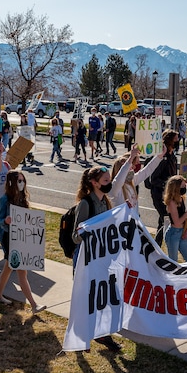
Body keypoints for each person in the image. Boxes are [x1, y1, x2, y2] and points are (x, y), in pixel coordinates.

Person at [71, 165, 122, 353]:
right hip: (86, 259)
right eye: (106, 181)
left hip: (102, 258)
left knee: (103, 297)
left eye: (109, 180)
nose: (109, 184)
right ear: (94, 183)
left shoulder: (106, 202)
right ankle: (80, 337)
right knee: (85, 298)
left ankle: (102, 334)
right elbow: (75, 237)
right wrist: (88, 232)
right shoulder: (85, 204)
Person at [0, 171, 47, 315]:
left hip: (22, 238)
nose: (22, 184)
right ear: (11, 183)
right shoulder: (5, 199)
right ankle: (34, 305)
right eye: (19, 181)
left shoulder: (23, 198)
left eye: (23, 181)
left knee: (9, 268)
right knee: (22, 271)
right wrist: (6, 221)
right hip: (10, 238)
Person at [109, 145, 164, 209]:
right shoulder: (115, 187)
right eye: (130, 168)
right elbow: (120, 178)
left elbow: (146, 171)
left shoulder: (132, 182)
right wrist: (130, 158)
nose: (133, 171)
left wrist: (159, 156)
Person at [150, 129, 179, 246]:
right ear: (170, 141)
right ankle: (161, 245)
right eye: (176, 139)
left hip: (169, 195)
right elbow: (154, 179)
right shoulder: (162, 158)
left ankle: (156, 246)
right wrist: (169, 185)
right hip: (159, 194)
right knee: (166, 219)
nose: (178, 141)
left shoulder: (173, 157)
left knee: (163, 221)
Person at [163, 175, 187, 262]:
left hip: (181, 231)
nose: (184, 188)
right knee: (173, 261)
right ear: (176, 188)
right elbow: (177, 222)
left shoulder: (181, 199)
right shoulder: (172, 202)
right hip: (173, 234)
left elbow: (183, 218)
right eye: (183, 186)